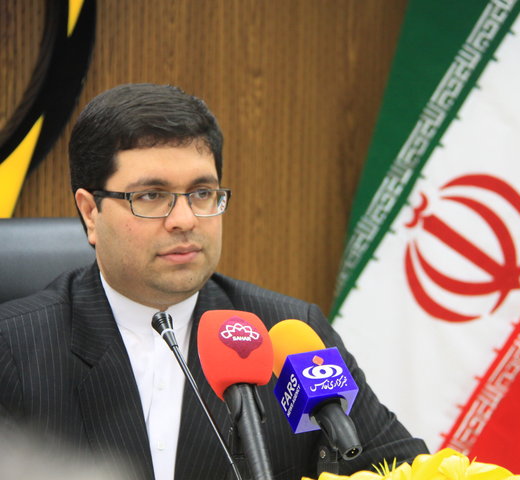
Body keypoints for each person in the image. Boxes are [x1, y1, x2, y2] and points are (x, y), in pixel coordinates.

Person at [0, 84, 428, 480]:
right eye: (151, 196)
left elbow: (399, 467)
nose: (185, 220)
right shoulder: (15, 347)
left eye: (202, 193)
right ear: (91, 212)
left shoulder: (288, 335)